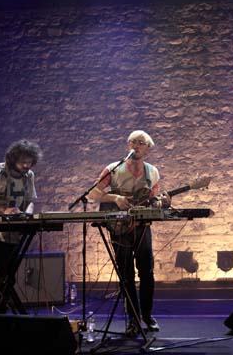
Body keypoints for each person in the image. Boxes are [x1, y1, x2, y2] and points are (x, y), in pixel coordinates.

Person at [89, 130, 170, 336]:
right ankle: (132, 319)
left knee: (147, 273)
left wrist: (164, 203)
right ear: (128, 146)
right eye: (132, 142)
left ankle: (147, 315)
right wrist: (115, 198)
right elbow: (94, 193)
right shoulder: (113, 169)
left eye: (141, 143)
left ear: (148, 148)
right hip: (119, 227)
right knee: (126, 275)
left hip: (142, 227)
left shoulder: (152, 171)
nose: (136, 145)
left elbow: (154, 200)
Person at [0, 139, 42, 326]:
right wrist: (3, 209)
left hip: (14, 233)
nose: (27, 165)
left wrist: (27, 214)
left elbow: (30, 200)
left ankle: (0, 316)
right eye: (23, 161)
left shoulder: (29, 175)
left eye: (30, 162)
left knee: (8, 276)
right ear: (13, 159)